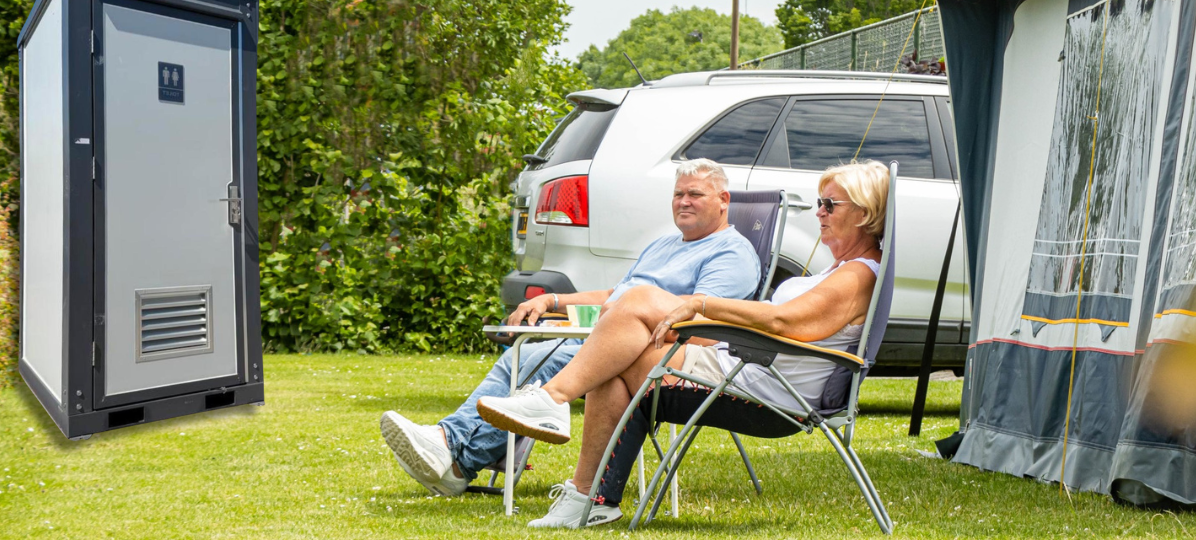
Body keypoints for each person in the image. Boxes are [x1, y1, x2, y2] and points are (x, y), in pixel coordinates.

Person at [476, 161, 889, 528]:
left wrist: (702, 303)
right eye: (819, 202)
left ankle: (555, 407)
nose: (819, 212)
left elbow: (785, 322)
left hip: (768, 392)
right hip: (743, 368)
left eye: (830, 204)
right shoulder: (836, 271)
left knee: (633, 314)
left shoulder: (857, 276)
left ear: (865, 213)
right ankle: (589, 498)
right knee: (618, 352)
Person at [378, 159, 761, 498]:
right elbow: (613, 294)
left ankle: (450, 447)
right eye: (678, 194)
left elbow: (702, 322)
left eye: (695, 194)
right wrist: (553, 300)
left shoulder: (730, 252)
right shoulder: (664, 245)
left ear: (723, 200)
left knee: (536, 359)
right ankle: (455, 459)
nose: (683, 202)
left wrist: (625, 320)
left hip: (652, 354)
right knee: (523, 354)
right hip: (608, 337)